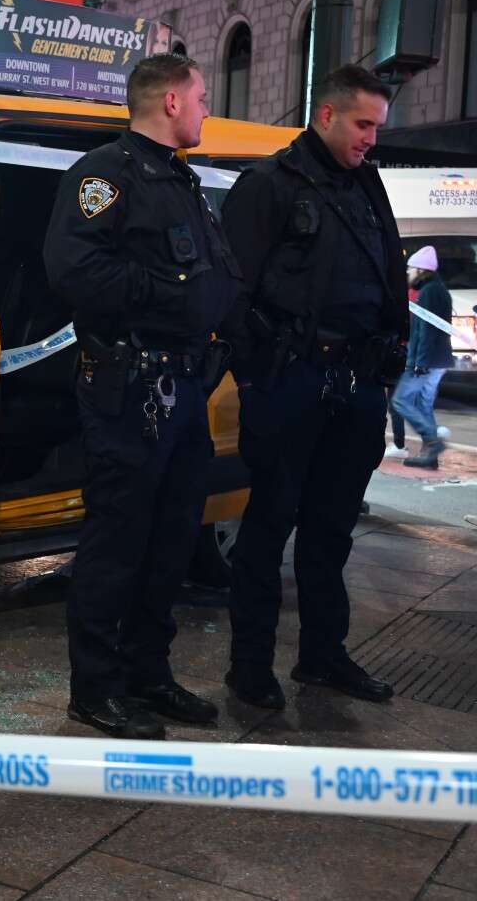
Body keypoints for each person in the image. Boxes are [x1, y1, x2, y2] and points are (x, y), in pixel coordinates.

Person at [43, 54, 241, 738]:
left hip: (182, 387)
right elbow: (76, 269)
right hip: (129, 389)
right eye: (203, 97)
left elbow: (216, 273)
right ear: (170, 103)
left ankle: (147, 675)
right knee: (118, 542)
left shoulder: (180, 179)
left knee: (171, 540)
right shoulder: (106, 175)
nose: (207, 109)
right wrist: (175, 299)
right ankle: (95, 689)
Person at [221, 65, 406, 709]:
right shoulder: (268, 185)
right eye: (362, 125)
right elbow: (233, 294)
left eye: (377, 128)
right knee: (269, 525)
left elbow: (387, 274)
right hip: (291, 379)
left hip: (354, 383)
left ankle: (323, 656)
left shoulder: (366, 184)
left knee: (331, 530)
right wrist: (260, 378)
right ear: (325, 116)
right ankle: (250, 667)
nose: (371, 140)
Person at [395, 245, 453, 469]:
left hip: (426, 360)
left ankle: (432, 441)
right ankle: (430, 456)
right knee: (424, 404)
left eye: (410, 269)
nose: (408, 273)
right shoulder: (439, 289)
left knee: (401, 401)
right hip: (438, 360)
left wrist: (420, 361)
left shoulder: (429, 292)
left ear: (421, 270)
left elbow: (426, 330)